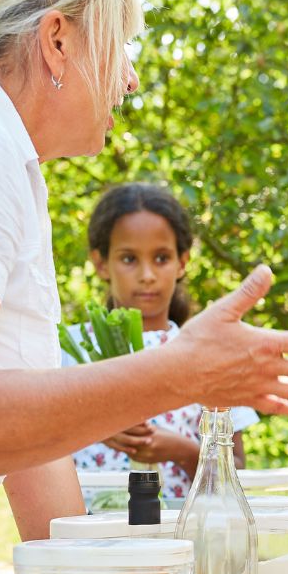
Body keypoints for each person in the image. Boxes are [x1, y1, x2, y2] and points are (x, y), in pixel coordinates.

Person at [0, 0, 288, 538]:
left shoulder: (20, 167)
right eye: (121, 46)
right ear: (57, 40)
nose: (130, 78)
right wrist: (181, 373)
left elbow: (30, 441)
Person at [63, 183, 260, 499]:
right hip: (89, 539)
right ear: (101, 263)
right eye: (129, 259)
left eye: (161, 258)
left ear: (182, 262)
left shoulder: (209, 352)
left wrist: (181, 450)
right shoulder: (69, 349)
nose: (147, 275)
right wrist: (93, 425)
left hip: (179, 541)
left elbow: (237, 474)